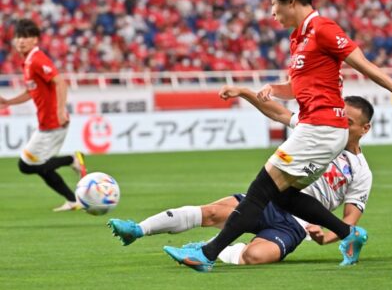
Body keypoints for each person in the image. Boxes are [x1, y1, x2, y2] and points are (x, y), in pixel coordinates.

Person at [163, 0, 392, 272]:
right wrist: (275, 89)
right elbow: (301, 87)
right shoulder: (298, 38)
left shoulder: (324, 28)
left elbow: (363, 64)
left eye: (274, 4)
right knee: (284, 196)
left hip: (321, 129)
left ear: (292, 1)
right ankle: (349, 234)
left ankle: (207, 254)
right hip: (317, 128)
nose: (272, 12)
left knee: (259, 191)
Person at [108, 88, 373, 266]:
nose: (341, 124)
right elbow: (278, 111)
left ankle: (210, 247)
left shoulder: (361, 172)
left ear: (365, 128)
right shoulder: (319, 131)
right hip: (269, 200)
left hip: (296, 226)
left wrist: (325, 237)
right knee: (211, 212)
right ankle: (137, 229)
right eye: (340, 117)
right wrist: (245, 92)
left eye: (348, 122)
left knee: (254, 257)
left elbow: (351, 219)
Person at [0, 19, 87, 212]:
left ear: (35, 40)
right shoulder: (28, 62)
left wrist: (59, 110)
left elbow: (60, 83)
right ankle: (73, 201)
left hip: (53, 123)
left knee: (26, 165)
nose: (21, 41)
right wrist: (8, 102)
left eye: (26, 37)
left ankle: (71, 159)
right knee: (42, 168)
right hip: (46, 123)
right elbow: (32, 92)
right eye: (18, 37)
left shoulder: (38, 59)